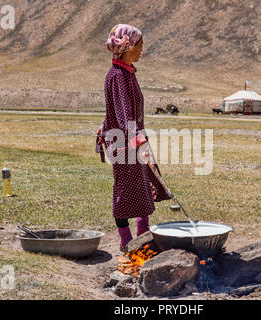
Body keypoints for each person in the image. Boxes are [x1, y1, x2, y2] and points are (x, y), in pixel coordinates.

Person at [95, 24, 171, 252]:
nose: (142, 50)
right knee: (127, 190)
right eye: (139, 45)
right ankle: (128, 242)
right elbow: (124, 113)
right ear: (128, 47)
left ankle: (143, 238)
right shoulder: (118, 76)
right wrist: (138, 141)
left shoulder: (126, 73)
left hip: (130, 139)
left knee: (143, 186)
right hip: (123, 142)